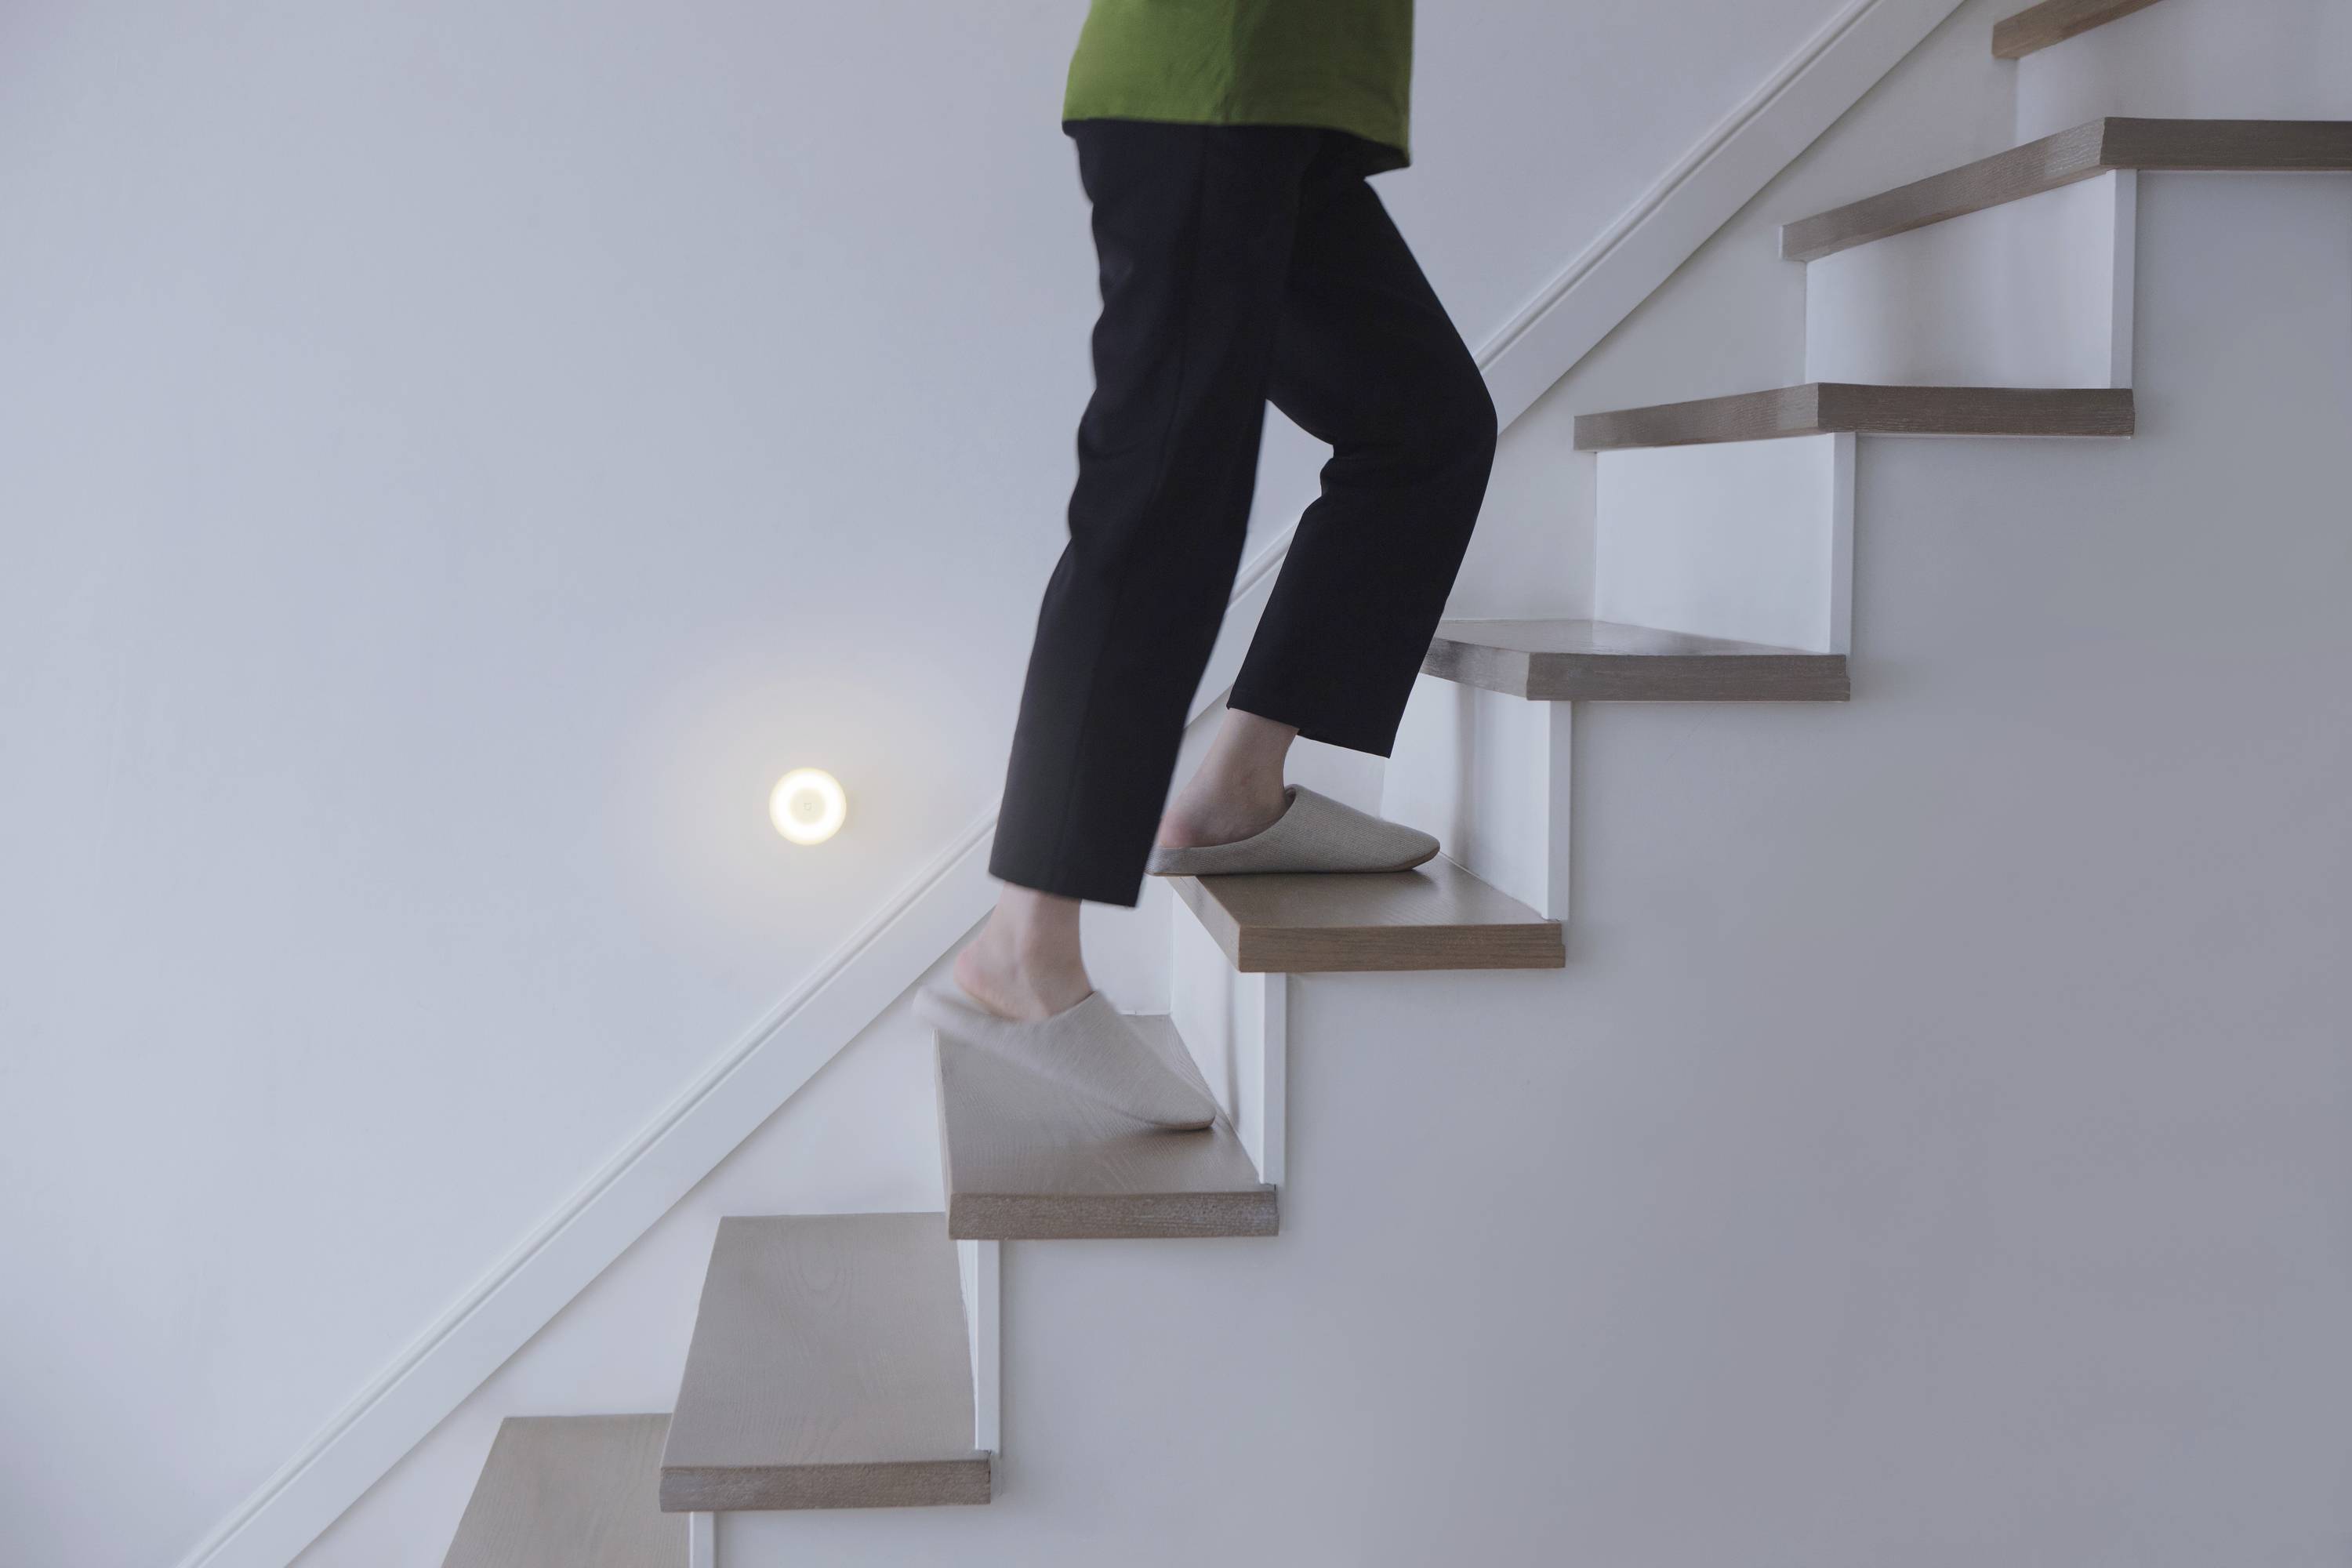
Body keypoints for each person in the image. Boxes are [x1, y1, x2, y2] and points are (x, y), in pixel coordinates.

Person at [919, 0, 1496, 1127]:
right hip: (1207, 79)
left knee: (1421, 425)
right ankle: (1021, 948)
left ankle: (1234, 791)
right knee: (1162, 503)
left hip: (1280, 103)